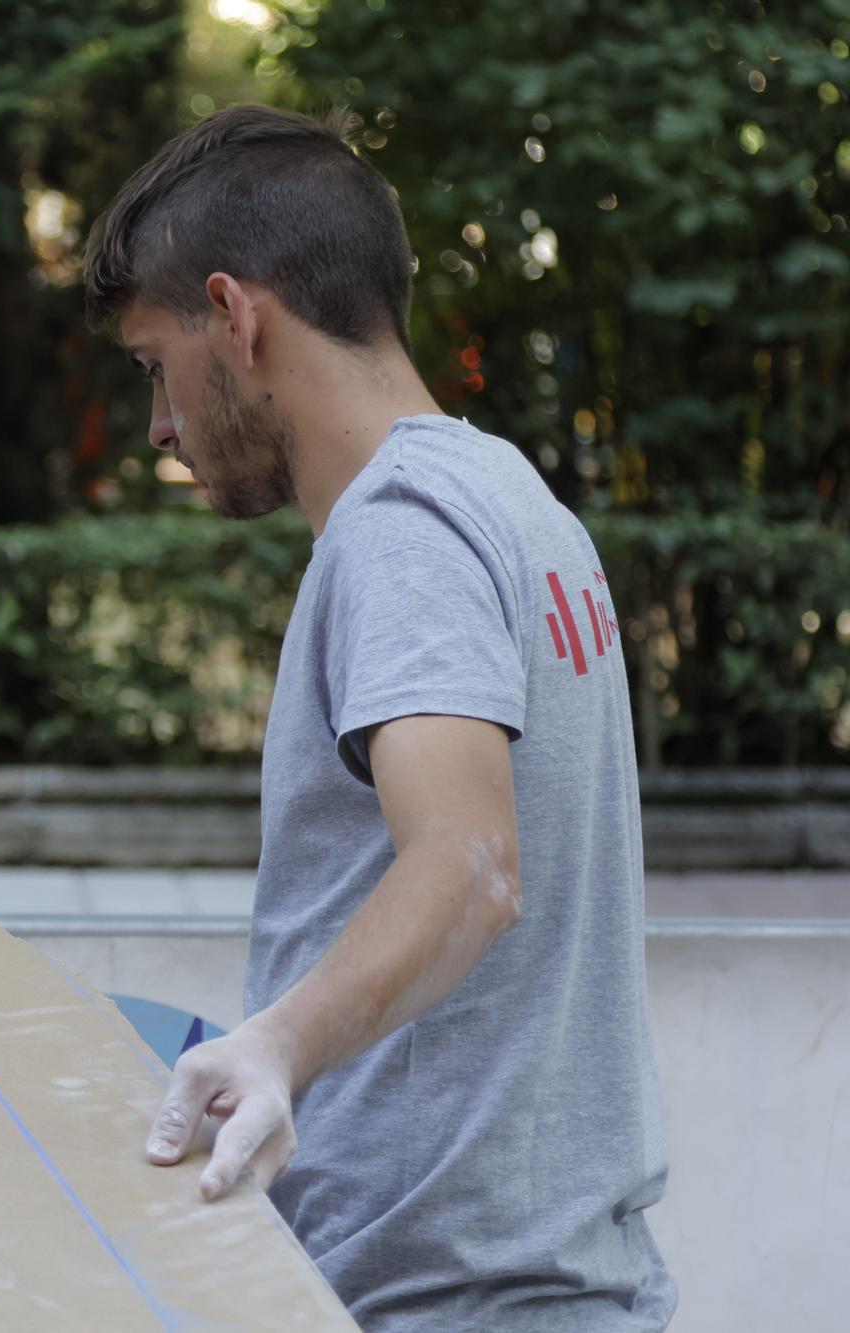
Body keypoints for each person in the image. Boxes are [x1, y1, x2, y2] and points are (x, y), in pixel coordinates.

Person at [83, 105, 675, 1330]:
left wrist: (273, 1049)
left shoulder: (400, 530)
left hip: (457, 1303)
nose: (156, 425)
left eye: (154, 366)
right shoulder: (515, 504)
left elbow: (467, 865)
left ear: (233, 315)